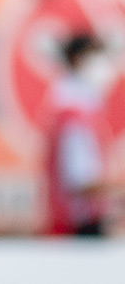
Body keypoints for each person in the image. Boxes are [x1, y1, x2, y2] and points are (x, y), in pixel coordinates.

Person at [43, 32, 118, 236]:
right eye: (97, 56)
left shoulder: (76, 108)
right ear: (78, 60)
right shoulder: (73, 115)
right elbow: (80, 181)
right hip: (78, 228)